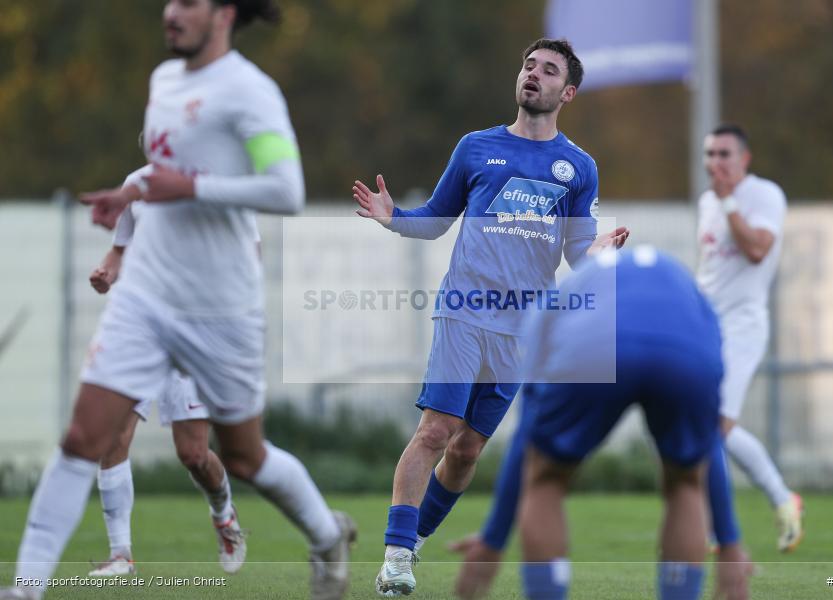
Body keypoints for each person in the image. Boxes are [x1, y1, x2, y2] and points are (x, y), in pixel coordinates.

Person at [1, 2, 355, 599]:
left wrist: (187, 187)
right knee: (82, 439)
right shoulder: (164, 80)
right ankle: (26, 587)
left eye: (188, 2)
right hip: (146, 297)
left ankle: (325, 537)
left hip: (220, 308)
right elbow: (161, 172)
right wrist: (129, 193)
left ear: (224, 13)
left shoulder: (250, 91)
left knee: (242, 458)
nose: (170, 12)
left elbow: (286, 189)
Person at [353, 38, 628, 597]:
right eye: (528, 65)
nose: (533, 75)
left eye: (548, 70)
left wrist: (599, 252)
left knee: (467, 450)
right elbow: (434, 220)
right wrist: (394, 217)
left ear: (567, 92)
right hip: (465, 311)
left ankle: (414, 543)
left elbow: (576, 254)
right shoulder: (476, 147)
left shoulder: (578, 167)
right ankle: (397, 554)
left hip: (524, 328)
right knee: (436, 430)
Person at [512, 246, 747, 600]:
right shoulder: (689, 291)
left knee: (546, 477)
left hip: (592, 348)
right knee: (685, 481)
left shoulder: (560, 295)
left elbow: (527, 430)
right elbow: (708, 433)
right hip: (682, 349)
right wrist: (729, 542)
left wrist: (492, 538)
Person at [86, 197, 246, 577]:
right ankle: (120, 554)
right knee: (112, 437)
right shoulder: (134, 190)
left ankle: (224, 516)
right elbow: (118, 251)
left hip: (192, 333)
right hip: (139, 332)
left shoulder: (214, 188)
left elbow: (246, 256)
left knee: (193, 454)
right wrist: (106, 272)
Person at [697, 124, 802, 552]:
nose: (715, 163)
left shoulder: (764, 195)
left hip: (743, 323)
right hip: (705, 321)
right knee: (699, 420)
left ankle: (721, 527)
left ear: (745, 158)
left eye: (724, 154)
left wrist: (729, 203)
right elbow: (711, 267)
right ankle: (778, 500)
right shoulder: (707, 201)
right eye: (710, 154)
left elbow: (757, 250)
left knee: (717, 424)